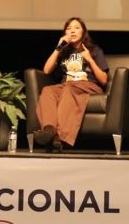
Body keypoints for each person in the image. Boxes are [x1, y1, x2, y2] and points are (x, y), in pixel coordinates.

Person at [32, 17, 109, 151]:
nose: (72, 31)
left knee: (68, 89)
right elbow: (46, 70)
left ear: (83, 32)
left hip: (87, 85)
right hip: (67, 86)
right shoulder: (64, 51)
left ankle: (60, 137)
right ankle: (50, 130)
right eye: (69, 28)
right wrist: (58, 48)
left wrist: (90, 59)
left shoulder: (94, 50)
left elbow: (103, 80)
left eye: (77, 28)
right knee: (48, 90)